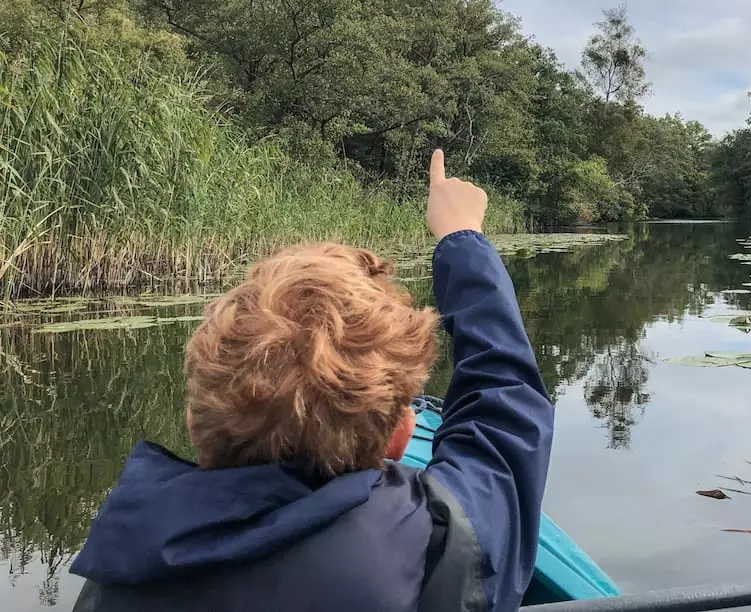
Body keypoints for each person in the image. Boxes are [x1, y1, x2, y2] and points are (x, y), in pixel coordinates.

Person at [69, 150, 554, 612]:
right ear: (402, 436)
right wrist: (462, 237)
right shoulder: (434, 552)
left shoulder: (114, 575)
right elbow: (504, 399)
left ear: (196, 425)